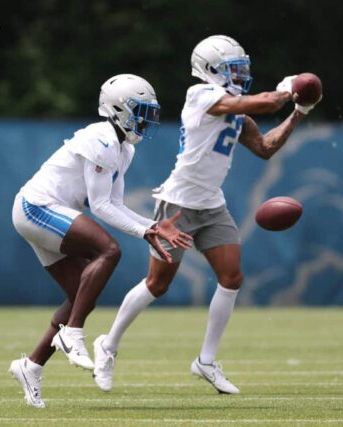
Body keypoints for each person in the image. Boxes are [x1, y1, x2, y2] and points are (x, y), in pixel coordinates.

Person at [92, 35, 322, 394]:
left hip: (212, 204)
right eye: (234, 68)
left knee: (231, 278)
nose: (241, 74)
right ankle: (107, 346)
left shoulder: (233, 110)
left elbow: (265, 147)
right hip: (178, 204)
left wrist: (299, 112)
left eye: (242, 68)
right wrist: (289, 89)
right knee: (158, 284)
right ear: (211, 70)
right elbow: (263, 102)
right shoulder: (201, 94)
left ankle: (206, 361)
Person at [8, 73, 193, 408]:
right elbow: (102, 207)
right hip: (36, 207)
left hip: (49, 212)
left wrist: (152, 225)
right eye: (140, 110)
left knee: (81, 294)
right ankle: (72, 333)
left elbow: (116, 204)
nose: (146, 118)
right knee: (108, 250)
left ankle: (31, 365)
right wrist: (146, 231)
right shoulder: (103, 137)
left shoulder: (123, 148)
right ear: (118, 109)